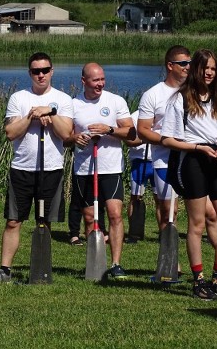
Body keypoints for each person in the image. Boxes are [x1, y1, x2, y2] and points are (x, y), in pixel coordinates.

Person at [0, 52, 73, 283]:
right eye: (36, 71)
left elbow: (66, 134)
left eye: (45, 70)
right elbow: (10, 132)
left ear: (52, 71)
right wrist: (31, 115)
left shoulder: (63, 100)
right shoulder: (18, 98)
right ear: (29, 73)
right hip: (22, 168)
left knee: (44, 221)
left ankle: (41, 268)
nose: (41, 75)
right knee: (13, 221)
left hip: (51, 169)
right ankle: (4, 270)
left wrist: (51, 113)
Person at [161, 49, 217, 300]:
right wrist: (198, 148)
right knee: (197, 224)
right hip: (193, 160)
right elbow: (168, 139)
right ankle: (199, 280)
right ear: (195, 70)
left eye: (213, 68)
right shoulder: (180, 100)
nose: (209, 72)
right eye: (205, 67)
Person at [68, 62, 135, 278]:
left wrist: (109, 129)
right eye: (95, 80)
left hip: (110, 167)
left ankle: (116, 264)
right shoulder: (73, 104)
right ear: (84, 81)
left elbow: (132, 133)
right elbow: (66, 138)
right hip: (84, 169)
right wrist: (76, 138)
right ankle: (95, 264)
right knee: (90, 218)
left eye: (102, 79)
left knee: (115, 214)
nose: (100, 84)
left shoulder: (115, 101)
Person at [136, 45, 190, 235]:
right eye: (183, 63)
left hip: (191, 158)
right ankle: (170, 260)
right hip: (164, 160)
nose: (187, 67)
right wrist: (167, 141)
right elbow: (142, 130)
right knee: (169, 211)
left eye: (190, 63)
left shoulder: (194, 91)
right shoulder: (153, 94)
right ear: (170, 65)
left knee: (208, 213)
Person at [124, 110, 154, 243]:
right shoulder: (135, 117)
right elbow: (129, 140)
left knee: (161, 200)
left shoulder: (163, 114)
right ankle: (133, 233)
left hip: (158, 161)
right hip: (140, 161)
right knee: (135, 198)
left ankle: (164, 234)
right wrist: (145, 138)